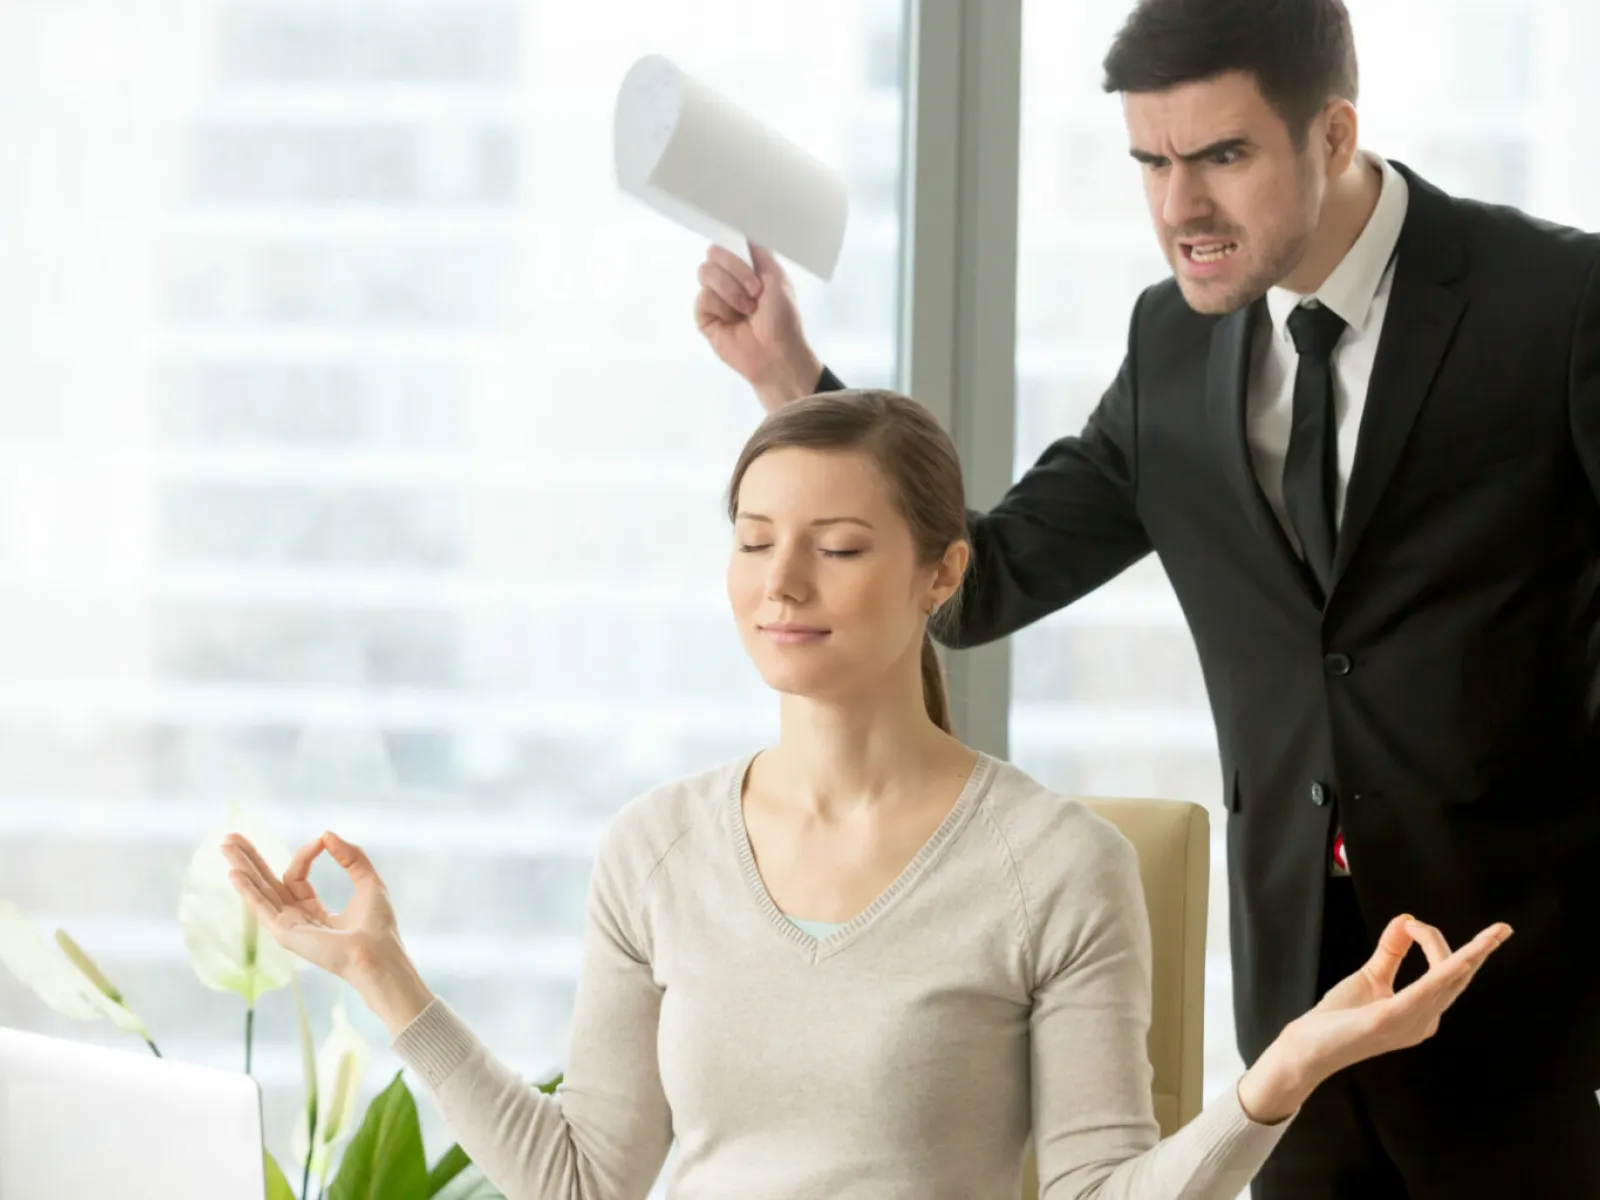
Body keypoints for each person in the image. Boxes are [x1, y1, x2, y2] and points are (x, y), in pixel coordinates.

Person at [691, 2, 1600, 1197]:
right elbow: (973, 581)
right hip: (1297, 1029)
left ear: (1330, 134)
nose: (1179, 208)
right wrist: (788, 380)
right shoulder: (1172, 347)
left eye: (1222, 156)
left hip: (1538, 1019)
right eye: (1150, 162)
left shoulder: (1555, 300)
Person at [223, 392, 1506, 1200]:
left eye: (837, 549)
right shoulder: (654, 850)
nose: (782, 582)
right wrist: (385, 978)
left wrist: (1274, 1077)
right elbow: (584, 1182)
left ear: (941, 576)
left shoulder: (1054, 864)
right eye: (751, 539)